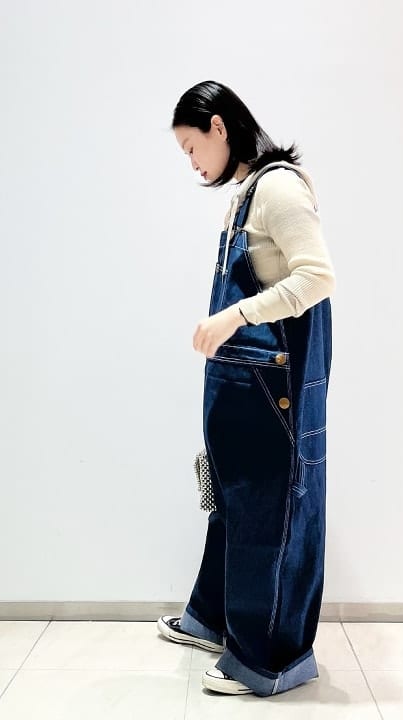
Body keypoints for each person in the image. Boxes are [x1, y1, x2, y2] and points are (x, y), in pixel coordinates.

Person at [157, 80, 335, 697]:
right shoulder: (247, 191)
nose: (191, 163)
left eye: (191, 147)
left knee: (269, 510)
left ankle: (268, 660)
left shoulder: (279, 188)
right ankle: (214, 621)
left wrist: (234, 316)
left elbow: (317, 278)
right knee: (232, 504)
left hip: (272, 386)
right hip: (245, 382)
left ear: (219, 127)